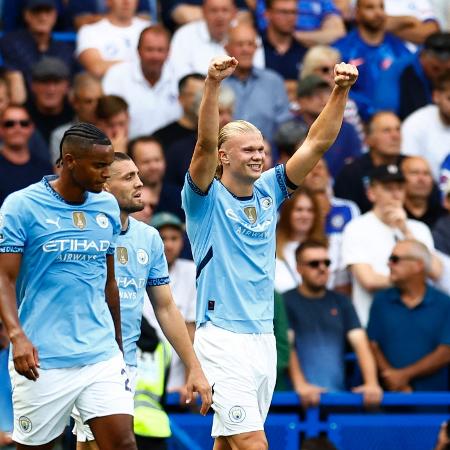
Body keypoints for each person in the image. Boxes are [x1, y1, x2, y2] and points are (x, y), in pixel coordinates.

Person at [182, 55, 358, 449]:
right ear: (224, 158)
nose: (259, 155)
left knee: (229, 442)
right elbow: (204, 144)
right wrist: (211, 85)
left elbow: (316, 141)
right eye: (247, 150)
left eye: (261, 148)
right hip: (222, 336)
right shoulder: (204, 201)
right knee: (251, 441)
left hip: (263, 337)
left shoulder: (269, 190)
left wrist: (340, 91)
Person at [0, 123, 134, 448]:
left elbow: (109, 282)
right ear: (70, 161)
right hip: (42, 357)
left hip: (99, 354)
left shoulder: (106, 206)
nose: (107, 173)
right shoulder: (21, 205)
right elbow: (4, 277)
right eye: (99, 165)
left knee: (123, 444)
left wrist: (117, 342)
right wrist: (17, 337)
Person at [73, 152, 211, 449]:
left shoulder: (148, 238)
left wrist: (194, 366)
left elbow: (165, 307)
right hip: (85, 359)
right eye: (129, 177)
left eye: (138, 175)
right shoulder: (80, 233)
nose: (140, 183)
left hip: (126, 363)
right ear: (105, 186)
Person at [341, 164, 442, 326]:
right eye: (388, 188)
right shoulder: (356, 228)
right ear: (371, 193)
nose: (396, 194)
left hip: (420, 321)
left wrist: (405, 230)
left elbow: (436, 271)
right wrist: (414, 280)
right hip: (375, 323)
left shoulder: (417, 229)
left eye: (400, 188)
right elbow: (369, 281)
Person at [286, 240, 382, 407]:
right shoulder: (285, 301)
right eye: (314, 263)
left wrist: (372, 383)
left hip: (338, 400)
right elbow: (287, 345)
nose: (322, 268)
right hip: (298, 402)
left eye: (327, 263)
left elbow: (360, 343)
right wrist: (300, 385)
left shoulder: (342, 302)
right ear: (299, 268)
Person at [368, 239, 450, 391]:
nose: (389, 264)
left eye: (395, 259)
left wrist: (403, 376)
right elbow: (373, 345)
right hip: (389, 402)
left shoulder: (445, 304)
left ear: (418, 265)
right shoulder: (381, 300)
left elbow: (446, 352)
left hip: (436, 402)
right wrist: (392, 377)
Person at [143, 212, 197, 392]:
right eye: (162, 238)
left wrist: (191, 379)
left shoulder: (191, 271)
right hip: (140, 373)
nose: (168, 245)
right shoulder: (138, 267)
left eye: (174, 238)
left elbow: (191, 331)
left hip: (177, 381)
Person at [332, 0, 410, 121]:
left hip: (395, 120)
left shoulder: (398, 48)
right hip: (354, 120)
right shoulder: (342, 49)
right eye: (370, 7)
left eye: (381, 7)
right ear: (357, 13)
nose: (378, 13)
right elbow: (334, 87)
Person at [103, 25, 181, 138]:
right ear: (138, 51)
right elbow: (110, 119)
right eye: (149, 49)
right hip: (127, 149)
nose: (155, 56)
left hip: (170, 149)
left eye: (160, 50)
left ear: (169, 52)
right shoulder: (117, 75)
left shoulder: (180, 76)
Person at [223, 22, 292, 143]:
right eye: (240, 44)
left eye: (250, 44)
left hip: (266, 156)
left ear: (256, 48)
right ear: (227, 48)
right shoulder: (217, 82)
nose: (246, 50)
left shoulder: (273, 81)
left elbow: (284, 125)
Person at [334, 111, 404, 213]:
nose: (395, 136)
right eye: (386, 131)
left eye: (398, 129)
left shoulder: (410, 166)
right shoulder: (352, 172)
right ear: (368, 139)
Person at [0, 0, 76, 88]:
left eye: (47, 12)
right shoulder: (10, 43)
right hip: (26, 99)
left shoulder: (65, 49)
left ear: (55, 15)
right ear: (26, 15)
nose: (42, 17)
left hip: (59, 99)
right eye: (36, 11)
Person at [374, 32, 450, 120]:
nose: (441, 75)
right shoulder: (398, 72)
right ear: (423, 56)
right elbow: (384, 115)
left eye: (447, 71)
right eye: (436, 69)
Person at [76, 0, 150, 78]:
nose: (126, 2)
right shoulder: (89, 31)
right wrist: (143, 66)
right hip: (107, 88)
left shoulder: (150, 28)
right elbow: (97, 68)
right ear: (108, 1)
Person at [275, 187, 325, 294]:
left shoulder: (326, 248)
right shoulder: (272, 249)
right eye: (299, 209)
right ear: (288, 213)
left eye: (310, 210)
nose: (305, 215)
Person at [401, 72, 450, 181]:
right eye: (449, 99)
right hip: (426, 192)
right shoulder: (416, 123)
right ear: (436, 96)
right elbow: (407, 168)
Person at [0, 105, 53, 205]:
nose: (17, 128)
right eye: (9, 124)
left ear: (31, 128)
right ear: (1, 129)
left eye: (24, 123)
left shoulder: (45, 169)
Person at [49, 72, 103, 165]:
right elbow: (61, 175)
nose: (96, 106)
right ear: (75, 102)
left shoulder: (115, 128)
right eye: (88, 101)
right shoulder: (62, 136)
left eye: (99, 100)